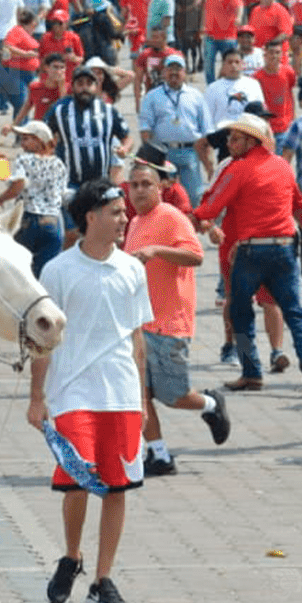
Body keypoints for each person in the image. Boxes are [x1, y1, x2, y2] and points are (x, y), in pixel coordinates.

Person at [30, 180, 150, 603]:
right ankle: (72, 555)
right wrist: (36, 397)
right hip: (72, 390)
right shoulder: (58, 271)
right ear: (90, 217)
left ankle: (102, 581)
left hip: (120, 392)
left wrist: (143, 401)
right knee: (79, 477)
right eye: (116, 212)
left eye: (124, 213)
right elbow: (43, 339)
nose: (124, 219)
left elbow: (138, 341)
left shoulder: (132, 270)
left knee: (117, 487)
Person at [193, 113, 302, 397]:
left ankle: (251, 373)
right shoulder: (282, 167)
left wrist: (191, 219)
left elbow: (210, 207)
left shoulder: (238, 169)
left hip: (252, 251)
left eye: (235, 138)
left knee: (240, 311)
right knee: (294, 310)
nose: (229, 142)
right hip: (286, 247)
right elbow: (299, 206)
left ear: (253, 141)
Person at [123, 156, 230, 478]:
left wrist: (157, 250)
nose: (140, 191)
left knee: (174, 396)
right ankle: (159, 455)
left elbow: (195, 255)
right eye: (134, 185)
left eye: (147, 185)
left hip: (169, 323)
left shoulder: (169, 216)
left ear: (161, 187)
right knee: (139, 395)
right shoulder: (134, 223)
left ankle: (211, 404)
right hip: (140, 325)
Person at [0, 120, 68, 276]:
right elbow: (62, 193)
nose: (22, 143)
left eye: (27, 138)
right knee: (45, 273)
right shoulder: (59, 164)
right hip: (53, 223)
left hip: (29, 219)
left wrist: (1, 198)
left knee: (21, 271)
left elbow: (17, 185)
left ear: (39, 140)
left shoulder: (24, 159)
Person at [137, 53, 211, 206]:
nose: (174, 72)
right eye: (170, 68)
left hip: (190, 153)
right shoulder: (152, 96)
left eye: (178, 69)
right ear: (163, 72)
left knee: (194, 197)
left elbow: (206, 130)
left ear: (185, 73)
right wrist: (150, 157)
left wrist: (207, 162)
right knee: (165, 198)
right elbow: (145, 129)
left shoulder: (196, 96)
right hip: (164, 153)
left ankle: (189, 229)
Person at [46, 64, 130, 192]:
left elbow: (126, 137)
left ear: (96, 87)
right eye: (80, 84)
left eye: (89, 83)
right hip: (69, 184)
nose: (84, 87)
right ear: (73, 87)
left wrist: (125, 148)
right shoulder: (59, 111)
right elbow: (44, 136)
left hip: (101, 183)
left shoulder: (108, 111)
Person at [204, 50, 265, 130]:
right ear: (223, 65)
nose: (233, 65)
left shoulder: (253, 84)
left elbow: (260, 113)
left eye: (237, 62)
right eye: (230, 62)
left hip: (248, 134)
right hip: (222, 135)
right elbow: (207, 118)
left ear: (243, 64)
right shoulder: (212, 88)